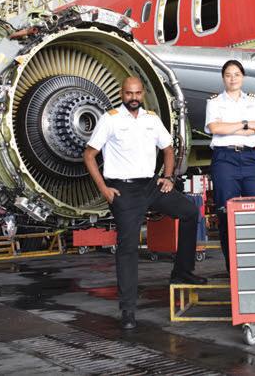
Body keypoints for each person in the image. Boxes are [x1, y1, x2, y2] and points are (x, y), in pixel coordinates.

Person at [83, 76, 207, 331]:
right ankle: (127, 309)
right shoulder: (110, 119)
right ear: (122, 94)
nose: (134, 98)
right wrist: (104, 188)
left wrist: (168, 177)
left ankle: (182, 272)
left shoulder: (151, 119)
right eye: (129, 93)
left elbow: (168, 148)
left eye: (138, 93)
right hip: (124, 189)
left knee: (189, 212)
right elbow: (89, 155)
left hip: (150, 185)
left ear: (142, 94)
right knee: (128, 248)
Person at [205, 60, 255, 272]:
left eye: (236, 74)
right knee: (226, 214)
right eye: (228, 75)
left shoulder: (253, 100)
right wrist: (245, 124)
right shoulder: (214, 102)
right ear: (223, 78)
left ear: (243, 77)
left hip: (251, 158)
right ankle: (233, 269)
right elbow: (215, 128)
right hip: (225, 159)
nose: (233, 78)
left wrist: (231, 128)